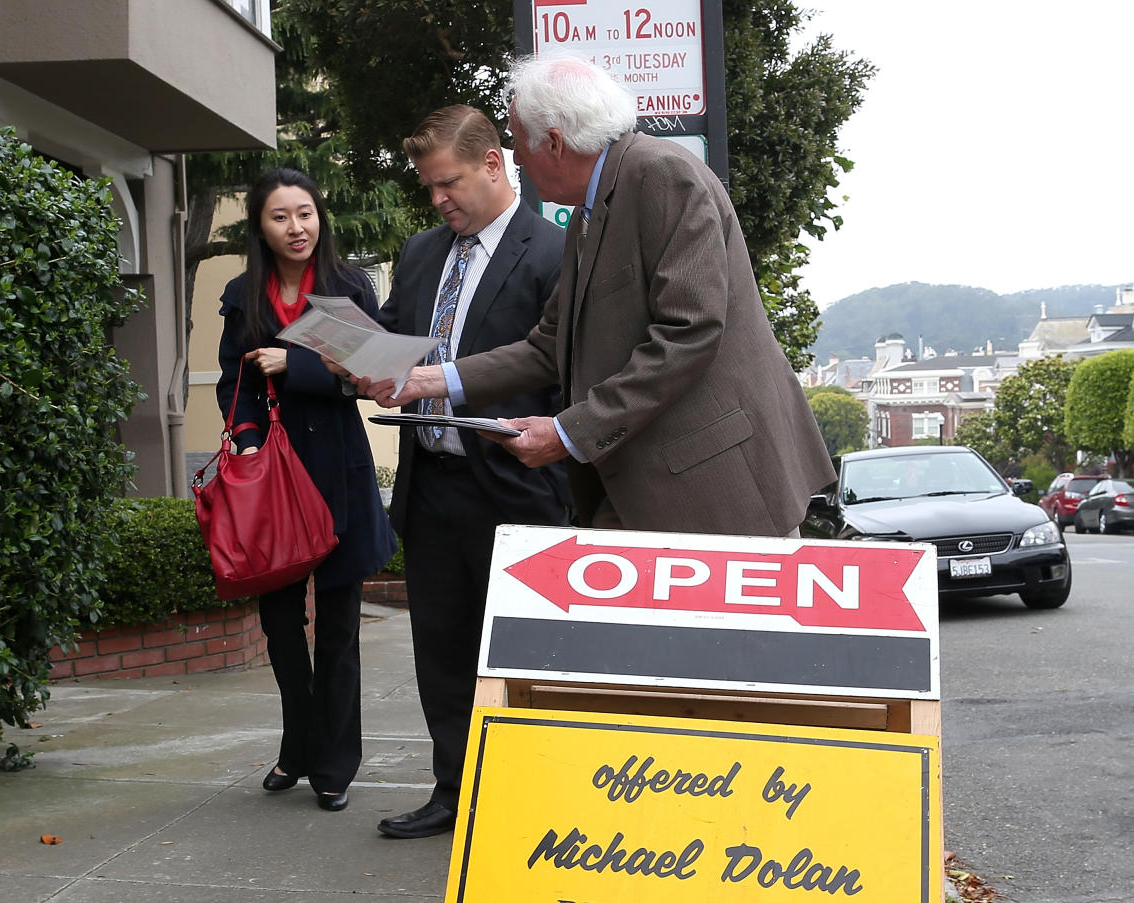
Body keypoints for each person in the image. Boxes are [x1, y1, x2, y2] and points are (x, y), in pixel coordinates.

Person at [368, 56, 835, 537]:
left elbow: (689, 333)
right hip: (645, 486)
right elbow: (549, 344)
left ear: (554, 143)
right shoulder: (590, 211)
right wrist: (429, 381)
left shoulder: (663, 175)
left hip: (715, 487)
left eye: (519, 144)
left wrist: (568, 432)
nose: (517, 160)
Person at [370, 106, 571, 839]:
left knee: (527, 660)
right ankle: (454, 791)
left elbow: (566, 377)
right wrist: (362, 361)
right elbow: (395, 340)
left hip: (520, 493)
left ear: (494, 165)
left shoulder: (554, 253)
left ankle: (534, 803)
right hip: (431, 490)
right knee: (443, 653)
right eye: (427, 187)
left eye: (446, 182)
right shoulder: (422, 252)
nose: (437, 200)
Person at [215, 167, 397, 813]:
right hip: (272, 477)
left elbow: (376, 374)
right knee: (281, 626)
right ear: (261, 228)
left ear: (320, 218)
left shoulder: (348, 287)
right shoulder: (244, 294)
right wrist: (241, 436)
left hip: (339, 473)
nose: (297, 228)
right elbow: (228, 381)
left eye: (306, 213)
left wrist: (300, 365)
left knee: (340, 629)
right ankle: (299, 744)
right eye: (280, 217)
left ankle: (334, 764)